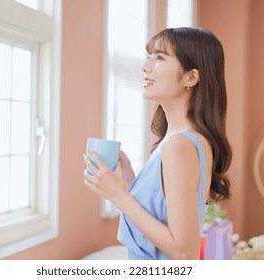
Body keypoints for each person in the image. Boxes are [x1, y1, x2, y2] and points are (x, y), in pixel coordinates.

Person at [83, 27, 232, 260]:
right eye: (149, 56)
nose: (146, 66)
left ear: (191, 77)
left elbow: (184, 252)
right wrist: (131, 182)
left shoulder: (179, 145)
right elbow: (164, 213)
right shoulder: (182, 141)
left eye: (160, 58)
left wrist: (118, 195)